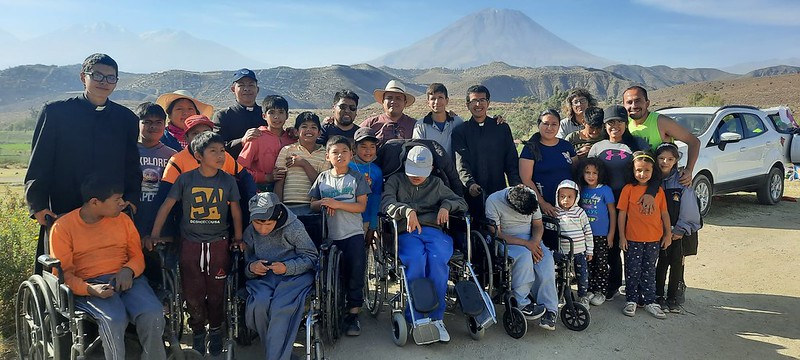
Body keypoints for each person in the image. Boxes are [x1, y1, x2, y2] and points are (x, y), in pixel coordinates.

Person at [25, 53, 142, 274]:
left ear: (116, 82)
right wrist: (38, 205)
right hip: (64, 204)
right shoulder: (56, 112)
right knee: (62, 272)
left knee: (107, 266)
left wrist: (132, 199)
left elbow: (131, 165)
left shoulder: (126, 119)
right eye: (97, 75)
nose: (103, 82)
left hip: (108, 208)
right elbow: (39, 162)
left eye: (110, 78)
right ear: (83, 77)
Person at [49, 175, 166, 360]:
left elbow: (137, 256)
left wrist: (129, 270)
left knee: (152, 313)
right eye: (117, 199)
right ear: (95, 202)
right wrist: (89, 289)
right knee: (113, 320)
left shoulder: (123, 220)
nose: (122, 203)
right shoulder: (63, 228)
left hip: (128, 278)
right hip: (89, 285)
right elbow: (63, 275)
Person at [149, 131, 243, 356]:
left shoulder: (228, 180)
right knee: (193, 291)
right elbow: (166, 206)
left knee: (218, 291)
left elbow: (236, 211)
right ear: (199, 155)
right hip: (190, 243)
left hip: (218, 242)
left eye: (222, 151)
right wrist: (154, 234)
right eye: (213, 151)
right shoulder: (185, 179)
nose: (220, 156)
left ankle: (217, 330)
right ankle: (198, 330)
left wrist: (238, 238)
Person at [381, 146, 468, 342]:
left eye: (420, 173)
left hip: (433, 231)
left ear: (430, 168)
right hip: (406, 231)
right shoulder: (395, 181)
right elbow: (386, 203)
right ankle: (416, 316)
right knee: (416, 260)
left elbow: (461, 202)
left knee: (437, 261)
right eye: (412, 172)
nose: (416, 177)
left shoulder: (436, 183)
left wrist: (447, 205)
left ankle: (437, 318)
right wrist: (406, 211)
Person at [588, 104, 653, 301]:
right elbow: (589, 174)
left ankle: (627, 285)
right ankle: (605, 284)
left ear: (625, 124)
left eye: (619, 121)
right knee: (606, 244)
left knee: (625, 243)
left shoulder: (636, 145)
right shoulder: (597, 147)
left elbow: (651, 171)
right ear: (605, 126)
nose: (614, 126)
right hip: (603, 202)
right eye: (610, 122)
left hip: (629, 202)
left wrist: (650, 191)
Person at [242, 193, 318, 360]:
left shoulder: (294, 227)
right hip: (264, 277)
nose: (262, 229)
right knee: (258, 305)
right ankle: (278, 352)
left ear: (277, 217)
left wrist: (287, 267)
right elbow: (246, 263)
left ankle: (275, 356)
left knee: (280, 309)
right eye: (257, 223)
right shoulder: (250, 231)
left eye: (268, 224)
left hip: (295, 276)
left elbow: (312, 258)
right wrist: (252, 267)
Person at [308, 135, 370, 336]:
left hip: (352, 234)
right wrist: (325, 202)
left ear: (351, 154)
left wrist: (337, 204)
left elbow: (361, 206)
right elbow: (312, 204)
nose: (340, 155)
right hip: (329, 236)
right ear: (327, 156)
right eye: (335, 152)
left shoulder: (357, 178)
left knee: (355, 273)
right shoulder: (322, 178)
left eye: (344, 151)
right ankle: (332, 309)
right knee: (333, 275)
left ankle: (353, 315)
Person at [452, 85, 521, 220]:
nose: (478, 104)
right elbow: (461, 163)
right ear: (467, 104)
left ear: (488, 103)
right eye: (474, 101)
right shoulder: (460, 131)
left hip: (499, 192)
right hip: (472, 195)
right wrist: (470, 183)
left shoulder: (501, 128)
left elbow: (511, 160)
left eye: (482, 100)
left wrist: (515, 186)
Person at [618, 151, 671, 319]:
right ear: (632, 170)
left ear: (653, 171)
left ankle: (649, 301)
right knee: (632, 270)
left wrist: (668, 234)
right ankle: (631, 300)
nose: (642, 174)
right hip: (632, 239)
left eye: (647, 170)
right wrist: (622, 237)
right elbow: (622, 214)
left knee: (649, 270)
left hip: (653, 239)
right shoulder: (628, 189)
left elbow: (664, 214)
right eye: (639, 170)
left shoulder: (659, 192)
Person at [484, 185, 548, 321]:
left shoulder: (530, 194)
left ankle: (549, 308)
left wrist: (534, 242)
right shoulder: (493, 201)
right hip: (505, 240)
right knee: (524, 255)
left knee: (546, 259)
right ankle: (521, 303)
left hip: (531, 238)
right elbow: (497, 233)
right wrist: (526, 244)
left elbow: (538, 224)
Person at [654, 143, 702, 313]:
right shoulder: (653, 179)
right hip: (659, 232)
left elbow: (689, 207)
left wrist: (681, 228)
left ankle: (673, 297)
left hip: (678, 232)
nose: (665, 162)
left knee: (676, 264)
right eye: (661, 158)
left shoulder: (682, 181)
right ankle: (658, 295)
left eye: (670, 159)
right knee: (661, 263)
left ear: (675, 161)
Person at [134, 102, 177, 283]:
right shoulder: (128, 151)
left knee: (159, 271)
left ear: (165, 124)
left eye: (158, 122)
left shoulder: (172, 155)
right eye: (147, 122)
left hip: (161, 219)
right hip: (134, 217)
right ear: (138, 124)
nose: (153, 126)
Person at [623, 85, 701, 186]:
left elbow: (694, 142)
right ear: (624, 105)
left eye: (638, 101)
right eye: (629, 102)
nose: (633, 106)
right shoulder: (624, 124)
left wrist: (689, 169)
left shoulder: (661, 122)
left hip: (664, 183)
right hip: (637, 182)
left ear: (647, 103)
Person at [519, 109, 577, 217]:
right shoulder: (530, 148)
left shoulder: (566, 146)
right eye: (546, 124)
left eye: (554, 124)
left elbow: (576, 172)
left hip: (569, 206)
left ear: (559, 126)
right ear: (539, 124)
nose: (550, 128)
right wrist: (542, 203)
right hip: (543, 208)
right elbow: (526, 179)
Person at [577, 157, 616, 306]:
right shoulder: (581, 189)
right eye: (587, 172)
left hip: (601, 235)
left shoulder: (605, 190)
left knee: (601, 263)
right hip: (585, 235)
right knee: (588, 263)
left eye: (594, 173)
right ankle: (590, 289)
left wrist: (611, 233)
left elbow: (612, 212)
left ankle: (601, 291)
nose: (591, 176)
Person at [238, 95, 297, 192]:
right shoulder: (256, 138)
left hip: (289, 191)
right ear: (264, 116)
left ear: (287, 115)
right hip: (261, 191)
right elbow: (240, 169)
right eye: (271, 113)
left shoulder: (292, 139)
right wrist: (266, 177)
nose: (276, 117)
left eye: (281, 112)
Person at [274, 112, 329, 211]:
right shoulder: (287, 150)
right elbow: (279, 181)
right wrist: (279, 207)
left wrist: (304, 163)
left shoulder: (325, 154)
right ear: (296, 132)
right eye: (304, 126)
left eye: (313, 127)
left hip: (313, 206)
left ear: (319, 133)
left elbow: (322, 185)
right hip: (289, 205)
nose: (309, 130)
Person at [553, 179, 593, 308]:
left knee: (582, 276)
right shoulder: (555, 213)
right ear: (557, 196)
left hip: (579, 252)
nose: (566, 200)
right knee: (562, 276)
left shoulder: (580, 212)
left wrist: (590, 250)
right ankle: (564, 296)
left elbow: (588, 232)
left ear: (576, 197)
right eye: (562, 196)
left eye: (570, 197)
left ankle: (582, 296)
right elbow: (551, 233)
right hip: (563, 253)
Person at [213, 68, 264, 160]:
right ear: (233, 89)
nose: (246, 89)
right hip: (233, 170)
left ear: (257, 89)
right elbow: (217, 147)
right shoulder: (223, 116)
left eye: (251, 85)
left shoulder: (266, 114)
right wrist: (242, 141)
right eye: (241, 85)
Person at [348, 127, 383, 246]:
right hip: (345, 220)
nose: (368, 151)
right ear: (354, 148)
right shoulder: (345, 166)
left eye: (372, 147)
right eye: (363, 146)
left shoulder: (376, 171)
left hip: (365, 220)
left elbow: (375, 198)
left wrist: (373, 225)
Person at [412, 83, 464, 156]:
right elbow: (418, 151)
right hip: (430, 166)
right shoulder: (421, 125)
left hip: (453, 167)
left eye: (440, 97)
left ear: (447, 100)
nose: (437, 102)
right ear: (428, 102)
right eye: (433, 98)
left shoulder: (457, 122)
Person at [360, 80, 417, 146]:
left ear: (405, 102)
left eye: (398, 98)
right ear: (383, 101)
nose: (393, 101)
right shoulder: (370, 124)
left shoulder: (414, 125)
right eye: (389, 98)